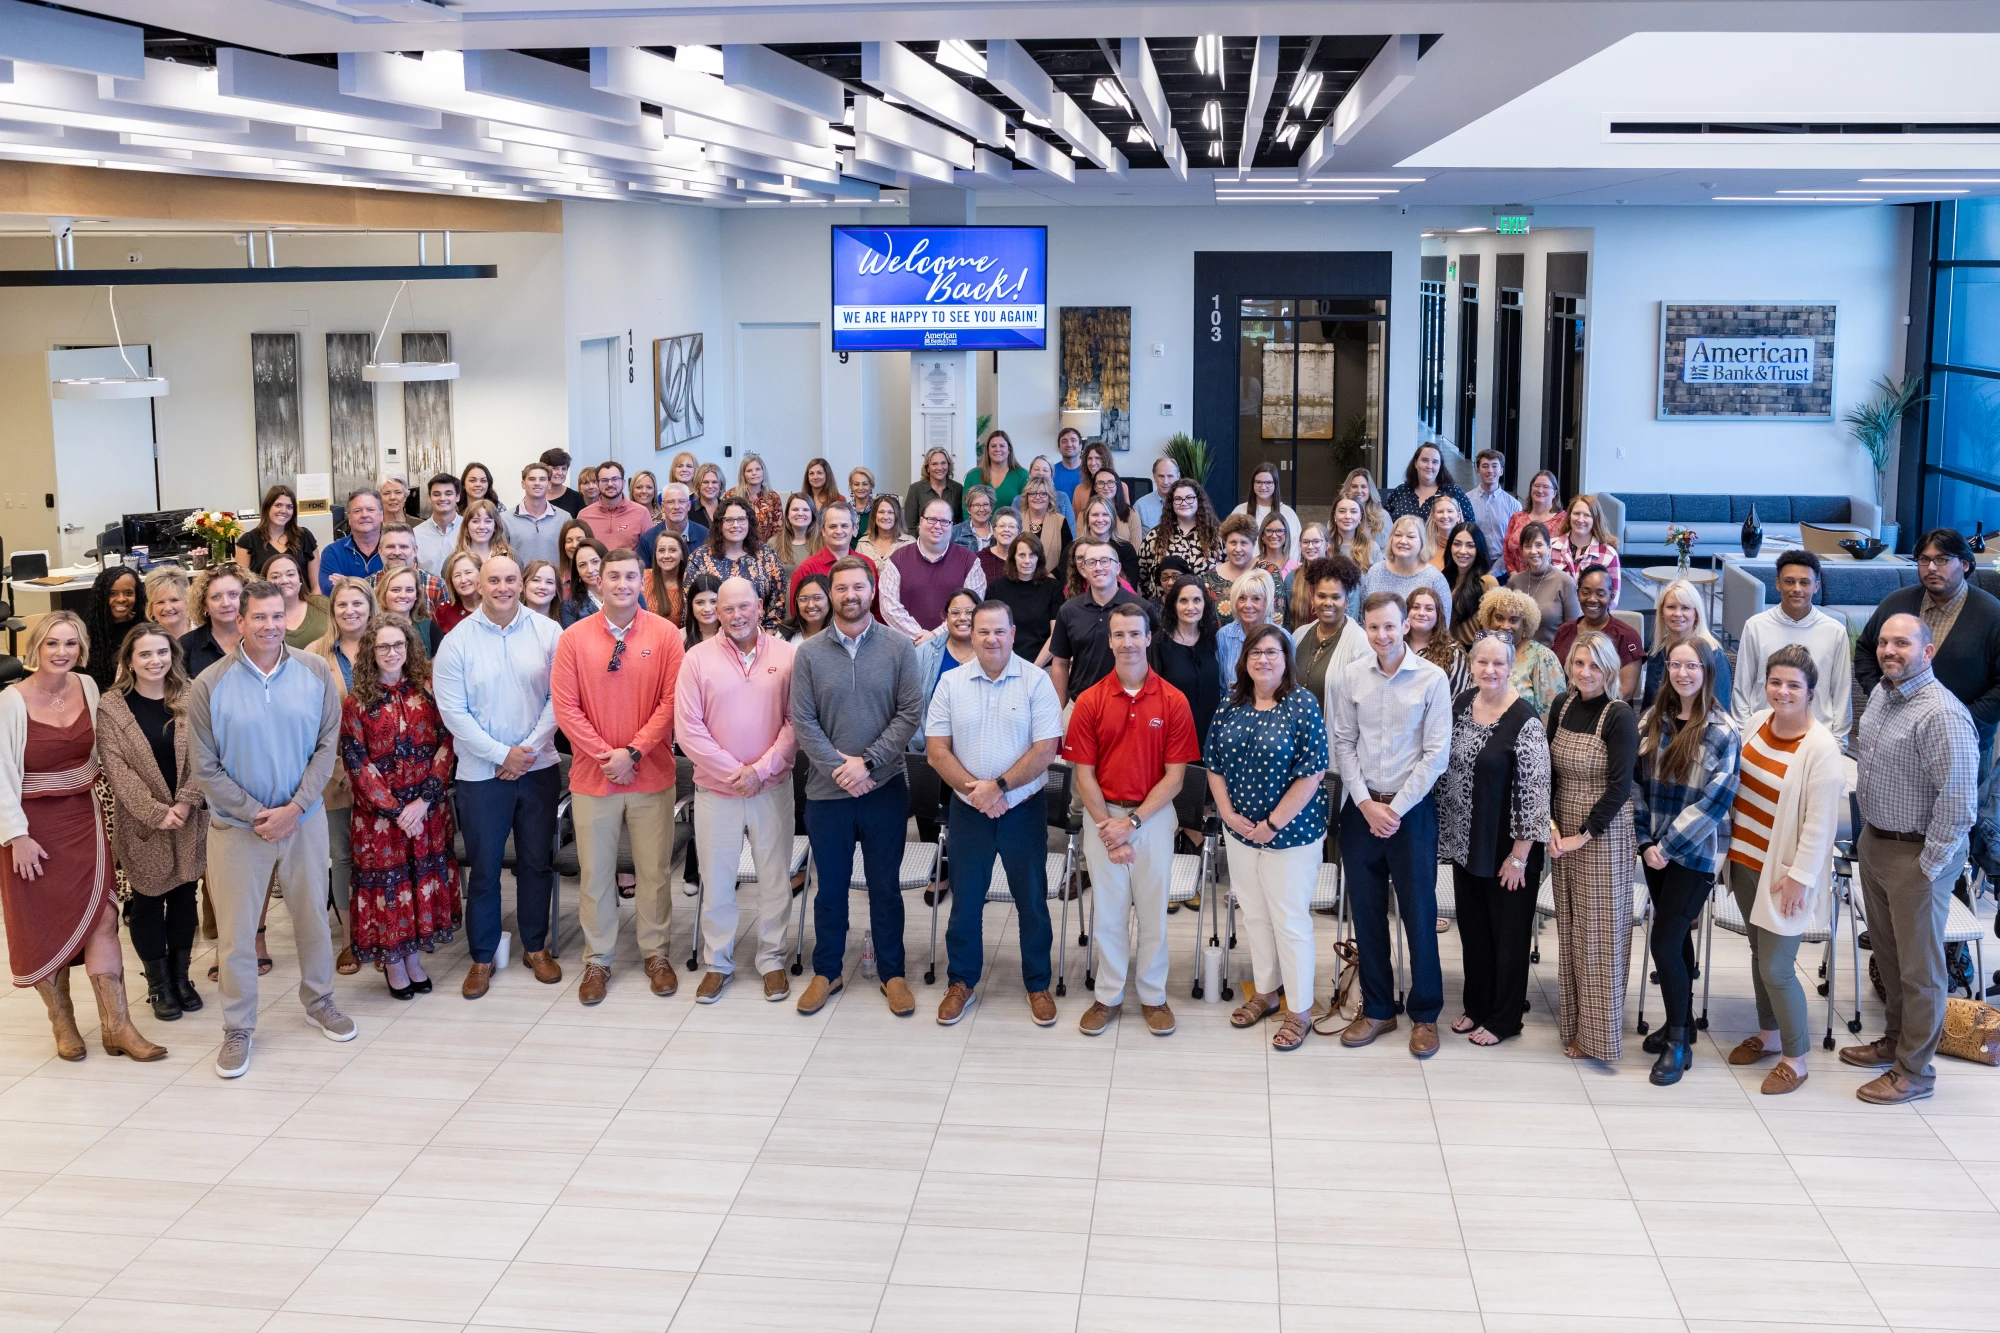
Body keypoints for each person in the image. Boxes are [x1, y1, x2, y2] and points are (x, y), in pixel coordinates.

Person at [187, 578, 354, 1079]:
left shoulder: (313, 672)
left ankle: (321, 1000)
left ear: (289, 619)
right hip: (238, 829)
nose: (269, 626)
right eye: (258, 617)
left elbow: (328, 746)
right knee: (237, 936)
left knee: (311, 921)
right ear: (239, 621)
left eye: (277, 617)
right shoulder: (209, 684)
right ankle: (238, 1028)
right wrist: (260, 812)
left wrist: (295, 807)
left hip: (303, 822)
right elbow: (205, 767)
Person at [1, 613, 167, 1062]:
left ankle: (118, 1026)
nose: (61, 652)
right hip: (31, 831)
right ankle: (64, 1022)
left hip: (83, 819)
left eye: (70, 644)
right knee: (41, 926)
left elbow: (103, 753)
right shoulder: (10, 702)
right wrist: (17, 836)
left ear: (82, 649)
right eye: (52, 643)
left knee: (103, 919)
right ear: (34, 647)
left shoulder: (89, 688)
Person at [1844, 613, 1979, 1105]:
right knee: (1889, 956)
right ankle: (1894, 1043)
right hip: (1876, 842)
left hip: (1919, 854)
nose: (1889, 650)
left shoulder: (1940, 713)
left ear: (1927, 651)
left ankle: (1915, 1071)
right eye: (1883, 641)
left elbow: (1959, 800)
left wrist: (1929, 867)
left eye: (1902, 642)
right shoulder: (1882, 693)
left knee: (1920, 970)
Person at [790, 557, 925, 1016]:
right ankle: (826, 971)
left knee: (884, 888)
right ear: (831, 594)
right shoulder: (808, 654)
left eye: (859, 587)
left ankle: (893, 973)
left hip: (883, 788)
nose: (850, 596)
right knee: (829, 890)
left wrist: (866, 763)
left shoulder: (898, 647)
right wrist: (841, 769)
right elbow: (803, 722)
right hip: (828, 794)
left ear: (872, 592)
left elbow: (909, 714)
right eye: (841, 588)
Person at [551, 547, 684, 1005]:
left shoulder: (666, 635)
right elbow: (565, 708)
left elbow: (671, 704)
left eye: (631, 576)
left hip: (653, 776)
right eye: (613, 576)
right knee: (595, 874)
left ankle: (656, 953)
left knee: (653, 872)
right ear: (597, 582)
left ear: (642, 582)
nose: (622, 584)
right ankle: (598, 959)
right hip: (594, 778)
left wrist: (634, 751)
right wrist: (607, 755)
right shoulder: (573, 638)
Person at [925, 600, 1065, 1026]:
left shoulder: (1036, 681)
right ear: (971, 632)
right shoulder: (950, 682)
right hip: (968, 809)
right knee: (965, 902)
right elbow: (936, 750)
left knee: (1032, 902)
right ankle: (961, 982)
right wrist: (977, 792)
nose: (991, 639)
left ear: (1012, 632)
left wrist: (1000, 787)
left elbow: (1046, 750)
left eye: (999, 631)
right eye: (982, 631)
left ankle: (1037, 982)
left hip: (1023, 807)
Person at [1328, 592, 1453, 1056]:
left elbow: (1436, 754)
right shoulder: (1351, 676)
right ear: (1365, 627)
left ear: (1405, 626)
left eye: (1390, 626)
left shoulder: (1432, 679)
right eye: (1374, 627)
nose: (1382, 635)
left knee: (1418, 915)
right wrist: (1364, 803)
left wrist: (1395, 809)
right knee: (1367, 914)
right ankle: (1378, 1008)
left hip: (1411, 811)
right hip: (1361, 811)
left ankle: (1425, 1014)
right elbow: (1343, 741)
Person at [1065, 602, 1197, 1038]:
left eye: (1135, 634)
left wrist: (1133, 825)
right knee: (1108, 914)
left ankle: (1154, 996)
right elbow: (1083, 775)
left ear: (1148, 638)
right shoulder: (1089, 700)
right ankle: (1108, 996)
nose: (1127, 643)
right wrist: (1109, 828)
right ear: (1110, 641)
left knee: (1154, 914)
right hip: (1103, 817)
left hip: (1153, 819)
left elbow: (1175, 778)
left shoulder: (1173, 700)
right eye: (1118, 635)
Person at [434, 556, 563, 998]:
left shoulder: (548, 632)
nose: (504, 587)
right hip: (480, 774)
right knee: (485, 868)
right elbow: (453, 712)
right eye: (495, 580)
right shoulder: (456, 641)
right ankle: (482, 957)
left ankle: (535, 946)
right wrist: (500, 755)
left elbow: (559, 698)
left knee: (535, 862)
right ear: (479, 586)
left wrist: (523, 753)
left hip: (539, 767)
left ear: (522, 583)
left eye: (512, 579)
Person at [1720, 644, 1846, 1094]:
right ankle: (1769, 1036)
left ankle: (1797, 1057)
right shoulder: (1756, 723)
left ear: (1811, 691)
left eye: (1794, 684)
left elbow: (1821, 822)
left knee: (1777, 967)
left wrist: (1800, 877)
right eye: (1776, 682)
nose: (1783, 691)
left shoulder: (1821, 748)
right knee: (1759, 956)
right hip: (1746, 862)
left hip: (1784, 874)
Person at [1208, 625, 1330, 1050]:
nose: (1263, 660)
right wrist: (1226, 813)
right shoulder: (1231, 701)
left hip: (1291, 834)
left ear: (1286, 660)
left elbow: (1313, 772)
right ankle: (1265, 992)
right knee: (1255, 916)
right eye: (1255, 652)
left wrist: (1273, 823)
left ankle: (1298, 1011)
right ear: (1245, 659)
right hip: (1240, 832)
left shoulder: (1302, 704)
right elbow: (1214, 763)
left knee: (1290, 921)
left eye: (1272, 653)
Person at [1632, 639, 1742, 1086]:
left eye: (1691, 666)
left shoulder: (1722, 730)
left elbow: (1716, 803)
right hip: (1654, 851)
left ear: (1707, 671)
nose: (1682, 673)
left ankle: (1679, 1043)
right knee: (1676, 942)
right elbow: (1637, 785)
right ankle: (1684, 1024)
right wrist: (1644, 842)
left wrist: (1666, 847)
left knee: (1664, 942)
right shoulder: (1653, 721)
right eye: (1675, 665)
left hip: (1692, 856)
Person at [1437, 632, 1551, 1047]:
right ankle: (1476, 1006)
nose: (1490, 670)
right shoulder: (1462, 704)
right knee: (1474, 931)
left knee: (1509, 937)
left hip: (1509, 850)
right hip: (1468, 844)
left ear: (1510, 667)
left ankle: (1504, 1019)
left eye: (1498, 664)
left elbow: (1537, 795)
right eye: (1482, 662)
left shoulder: (1525, 720)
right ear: (1472, 665)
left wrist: (1520, 856)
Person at [340, 613, 459, 999]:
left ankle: (413, 958)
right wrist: (395, 810)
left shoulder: (427, 690)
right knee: (389, 888)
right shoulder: (356, 702)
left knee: (417, 881)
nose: (392, 652)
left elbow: (447, 742)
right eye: (383, 646)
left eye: (398, 645)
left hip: (427, 809)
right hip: (380, 819)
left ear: (410, 648)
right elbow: (356, 760)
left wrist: (424, 800)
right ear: (370, 652)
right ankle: (394, 962)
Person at [96, 623, 208, 1022]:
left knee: (184, 898)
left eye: (162, 652)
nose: (155, 661)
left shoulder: (191, 695)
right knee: (147, 902)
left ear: (172, 655)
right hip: (143, 825)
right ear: (129, 660)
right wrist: (159, 812)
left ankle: (181, 979)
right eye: (145, 654)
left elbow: (205, 753)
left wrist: (186, 803)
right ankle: (158, 985)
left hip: (189, 817)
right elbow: (116, 768)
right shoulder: (112, 706)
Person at [1546, 629, 1639, 1062]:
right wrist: (1549, 824)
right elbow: (1548, 771)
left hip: (1600, 834)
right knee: (1569, 929)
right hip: (1561, 828)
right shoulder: (1560, 706)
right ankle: (1574, 1023)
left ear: (1609, 669)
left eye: (1595, 665)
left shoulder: (1619, 716)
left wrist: (1579, 836)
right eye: (1579, 663)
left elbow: (1620, 788)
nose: (1585, 673)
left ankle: (1599, 1036)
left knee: (1599, 934)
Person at [311, 576, 375, 971]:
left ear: (371, 606)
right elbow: (309, 723)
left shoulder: (388, 643)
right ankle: (351, 939)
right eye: (341, 605)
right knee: (344, 857)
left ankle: (385, 937)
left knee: (384, 859)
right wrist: (341, 770)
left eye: (358, 604)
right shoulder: (315, 655)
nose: (350, 611)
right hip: (335, 774)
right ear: (332, 610)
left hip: (388, 775)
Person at [1732, 551, 1848, 740]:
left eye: (1804, 582)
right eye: (1789, 581)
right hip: (1763, 734)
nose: (1797, 589)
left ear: (1816, 586)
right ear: (1777, 583)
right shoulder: (1756, 626)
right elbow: (1742, 687)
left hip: (1816, 736)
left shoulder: (1835, 631)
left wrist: (1838, 740)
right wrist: (1746, 734)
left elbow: (1842, 691)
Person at [1050, 539, 1147, 705]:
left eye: (1105, 561)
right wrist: (1058, 709)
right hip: (1080, 703)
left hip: (1131, 704)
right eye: (1091, 563)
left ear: (1118, 567)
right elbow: (1060, 663)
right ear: (1084, 570)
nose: (1098, 567)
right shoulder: (1068, 610)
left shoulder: (1142, 608)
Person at [881, 497, 986, 645]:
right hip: (908, 648)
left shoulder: (970, 561)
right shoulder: (897, 559)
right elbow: (888, 607)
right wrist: (920, 637)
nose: (937, 526)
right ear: (921, 521)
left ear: (951, 526)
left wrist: (935, 636)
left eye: (944, 521)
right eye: (931, 519)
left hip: (956, 649)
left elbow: (971, 609)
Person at [684, 495, 786, 631]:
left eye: (741, 519)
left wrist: (766, 637)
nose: (736, 525)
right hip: (714, 638)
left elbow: (777, 602)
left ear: (749, 522)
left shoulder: (767, 555)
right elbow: (691, 603)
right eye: (729, 520)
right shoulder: (700, 558)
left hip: (759, 637)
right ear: (719, 524)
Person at [1639, 578, 1730, 715]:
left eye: (1685, 608)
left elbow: (1719, 712)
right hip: (1657, 730)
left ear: (1696, 613)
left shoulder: (1714, 655)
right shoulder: (1657, 649)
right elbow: (1648, 705)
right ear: (1662, 612)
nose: (1677, 614)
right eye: (1671, 607)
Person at [1553, 564, 1643, 700]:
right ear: (1577, 594)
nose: (1592, 599)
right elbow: (1554, 678)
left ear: (1611, 597)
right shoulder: (1564, 631)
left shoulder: (1626, 636)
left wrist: (1589, 712)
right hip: (1566, 710)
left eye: (1600, 594)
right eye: (1585, 592)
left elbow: (1625, 692)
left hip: (1609, 714)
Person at [1293, 554, 1369, 713]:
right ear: (1312, 598)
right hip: (1295, 733)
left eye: (1336, 597)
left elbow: (1365, 704)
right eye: (1321, 596)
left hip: (1334, 736)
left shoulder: (1360, 643)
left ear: (1347, 601)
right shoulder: (1299, 636)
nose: (1328, 603)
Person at [1474, 588, 1566, 718]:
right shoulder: (1480, 653)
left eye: (1514, 620)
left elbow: (1552, 714)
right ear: (1489, 619)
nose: (1505, 626)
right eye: (1499, 618)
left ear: (1525, 624)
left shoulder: (1542, 657)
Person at [1153, 574, 1223, 747]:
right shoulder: (1159, 643)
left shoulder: (1212, 637)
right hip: (1174, 736)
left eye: (1197, 600)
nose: (1190, 607)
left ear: (1205, 604)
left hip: (1212, 733)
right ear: (1173, 605)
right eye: (1183, 600)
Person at [787, 501, 873, 618]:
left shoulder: (868, 565)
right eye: (833, 526)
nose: (838, 531)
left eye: (844, 526)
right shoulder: (806, 570)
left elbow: (876, 610)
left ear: (854, 529)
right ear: (823, 530)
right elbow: (797, 617)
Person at [989, 533, 1062, 667]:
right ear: (1013, 558)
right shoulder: (996, 588)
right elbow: (991, 632)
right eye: (1022, 555)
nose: (1027, 561)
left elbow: (1056, 635)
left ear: (1039, 558)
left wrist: (1034, 669)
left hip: (1043, 666)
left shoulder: (1053, 588)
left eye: (1032, 555)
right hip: (1004, 664)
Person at [1507, 522, 1581, 648]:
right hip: (1517, 655)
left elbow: (1572, 631)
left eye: (1539, 545)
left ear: (1549, 547)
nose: (1533, 551)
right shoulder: (1514, 582)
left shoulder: (1565, 582)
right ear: (1522, 550)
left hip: (1552, 657)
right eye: (1528, 546)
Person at [236, 484, 321, 592]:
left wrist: (313, 607)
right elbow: (242, 588)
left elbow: (316, 586)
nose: (284, 510)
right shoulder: (248, 541)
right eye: (278, 505)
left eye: (289, 507)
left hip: (301, 603)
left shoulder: (305, 537)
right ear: (267, 507)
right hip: (264, 606)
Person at [1361, 515, 1453, 612]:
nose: (1403, 541)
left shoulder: (1435, 579)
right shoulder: (1375, 572)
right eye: (1398, 535)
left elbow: (1443, 623)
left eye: (1411, 536)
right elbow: (1362, 614)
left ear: (1422, 542)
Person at [1139, 478, 1218, 590]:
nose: (1184, 503)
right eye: (1178, 499)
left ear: (1199, 501)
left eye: (1189, 498)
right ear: (1171, 503)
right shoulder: (1154, 537)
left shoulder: (1215, 536)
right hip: (1162, 605)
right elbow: (1143, 577)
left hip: (1203, 605)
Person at [82, 565, 142, 691]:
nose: (121, 599)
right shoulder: (87, 633)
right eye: (112, 593)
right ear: (102, 597)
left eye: (128, 593)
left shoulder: (143, 629)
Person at [1551, 494, 1622, 601]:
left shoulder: (1609, 554)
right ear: (1569, 516)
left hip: (1591, 616)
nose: (1580, 519)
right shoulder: (1550, 547)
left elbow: (1613, 598)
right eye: (1576, 513)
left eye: (1587, 515)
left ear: (1595, 519)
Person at [1383, 441, 1472, 523]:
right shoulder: (1400, 491)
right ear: (1415, 463)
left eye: (1435, 462)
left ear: (1440, 466)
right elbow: (1384, 523)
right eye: (1425, 460)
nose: (1429, 466)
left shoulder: (1454, 493)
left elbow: (1469, 527)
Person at [182, 563, 245, 679]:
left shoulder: (263, 637)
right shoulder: (186, 646)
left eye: (233, 594)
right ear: (204, 605)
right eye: (216, 597)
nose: (226, 603)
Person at [1216, 568, 1277, 687]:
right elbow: (1219, 686)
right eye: (1242, 598)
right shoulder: (1223, 636)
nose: (1248, 605)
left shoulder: (1282, 637)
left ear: (1266, 602)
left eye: (1256, 599)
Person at [1230, 460, 1301, 563]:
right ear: (1253, 484)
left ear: (1275, 484)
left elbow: (1295, 548)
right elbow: (1229, 543)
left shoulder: (1288, 513)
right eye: (1258, 482)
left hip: (1281, 571)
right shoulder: (1240, 511)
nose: (1263, 487)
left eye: (1268, 482)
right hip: (1245, 571)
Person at [319, 488, 386, 593]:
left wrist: (348, 583)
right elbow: (331, 591)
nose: (364, 515)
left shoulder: (396, 549)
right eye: (357, 511)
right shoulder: (332, 552)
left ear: (381, 515)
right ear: (349, 518)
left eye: (370, 509)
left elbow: (401, 587)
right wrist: (382, 585)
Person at [1405, 584, 1468, 695]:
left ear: (1438, 615)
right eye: (1415, 607)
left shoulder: (1454, 652)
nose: (1421, 613)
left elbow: (1458, 700)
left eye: (1429, 609)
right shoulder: (1396, 646)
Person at [1466, 449, 1521, 571]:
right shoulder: (1466, 500)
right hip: (1470, 564)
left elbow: (1514, 543)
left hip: (1502, 566)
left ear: (1501, 471)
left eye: (1494, 466)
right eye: (1485, 466)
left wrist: (1495, 571)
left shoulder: (1514, 505)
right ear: (1478, 471)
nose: (1490, 470)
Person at [579, 460, 652, 551]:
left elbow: (650, 553)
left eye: (615, 479)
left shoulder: (641, 513)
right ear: (597, 485)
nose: (610, 484)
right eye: (604, 480)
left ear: (623, 483)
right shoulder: (584, 516)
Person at [1441, 522, 1497, 642]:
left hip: (1474, 652)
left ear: (1478, 549)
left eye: (1470, 546)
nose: (1462, 551)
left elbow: (1494, 628)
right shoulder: (1443, 578)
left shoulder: (1487, 582)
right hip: (1445, 650)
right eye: (1457, 544)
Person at [1503, 470, 1567, 576]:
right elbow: (1506, 550)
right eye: (1536, 486)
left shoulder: (1564, 520)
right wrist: (1514, 575)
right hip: (1516, 582)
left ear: (1554, 493)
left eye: (1546, 487)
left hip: (1548, 583)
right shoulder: (1517, 517)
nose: (1540, 490)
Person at [262, 551, 328, 650]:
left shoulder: (323, 604)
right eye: (275, 576)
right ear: (265, 583)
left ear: (300, 579)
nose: (284, 581)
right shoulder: (258, 615)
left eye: (290, 574)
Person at [505, 461, 566, 569]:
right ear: (523, 484)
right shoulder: (505, 519)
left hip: (555, 583)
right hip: (519, 583)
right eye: (532, 479)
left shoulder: (564, 518)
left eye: (542, 479)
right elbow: (501, 556)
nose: (537, 483)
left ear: (549, 484)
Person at [379, 523, 447, 618]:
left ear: (415, 550)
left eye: (404, 547)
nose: (397, 552)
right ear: (380, 550)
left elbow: (447, 628)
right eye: (390, 546)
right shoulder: (368, 585)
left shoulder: (437, 585)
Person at [636, 482, 709, 568]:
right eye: (670, 502)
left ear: (688, 506)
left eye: (681, 501)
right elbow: (643, 575)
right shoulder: (648, 539)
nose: (676, 507)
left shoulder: (705, 535)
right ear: (662, 507)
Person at [1080, 495, 1142, 590]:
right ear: (1087, 519)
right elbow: (1068, 590)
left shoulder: (1126, 549)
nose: (1100, 519)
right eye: (1095, 515)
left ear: (1112, 519)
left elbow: (1130, 589)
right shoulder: (1075, 549)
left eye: (1105, 514)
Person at [378, 566, 442, 657]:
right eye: (396, 590)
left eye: (409, 590)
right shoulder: (371, 629)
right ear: (384, 594)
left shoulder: (430, 628)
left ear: (416, 595)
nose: (403, 595)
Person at [413, 473, 464, 575]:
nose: (442, 498)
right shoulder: (415, 534)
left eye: (448, 494)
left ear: (457, 497)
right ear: (429, 498)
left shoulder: (469, 528)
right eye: (436, 494)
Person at [1018, 477, 1071, 573]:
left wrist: (1053, 576)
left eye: (1043, 493)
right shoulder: (1016, 520)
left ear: (1049, 497)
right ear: (1027, 497)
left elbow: (1068, 556)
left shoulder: (1060, 521)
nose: (1037, 497)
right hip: (1020, 581)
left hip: (1052, 583)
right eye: (1033, 493)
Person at [967, 429, 1027, 511]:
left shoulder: (1022, 475)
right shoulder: (972, 476)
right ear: (987, 450)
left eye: (1002, 446)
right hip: (979, 524)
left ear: (1009, 450)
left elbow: (1026, 508)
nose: (997, 449)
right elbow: (965, 508)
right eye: (993, 446)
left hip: (1011, 523)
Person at [1285, 523, 1329, 631]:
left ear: (1327, 545)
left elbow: (1350, 616)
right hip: (1299, 643)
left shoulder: (1339, 577)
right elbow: (1286, 621)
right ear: (1300, 545)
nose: (1310, 546)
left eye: (1316, 541)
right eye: (1305, 542)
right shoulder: (1291, 579)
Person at [907, 446, 964, 527]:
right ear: (927, 468)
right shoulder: (915, 489)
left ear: (948, 465)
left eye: (943, 463)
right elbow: (911, 525)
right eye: (934, 464)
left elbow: (961, 522)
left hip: (951, 538)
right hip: (924, 538)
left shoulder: (958, 488)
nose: (940, 468)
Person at [453, 497, 514, 569]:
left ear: (495, 526)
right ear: (466, 526)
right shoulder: (453, 560)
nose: (482, 527)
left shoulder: (511, 556)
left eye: (488, 521)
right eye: (475, 521)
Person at [734, 453, 783, 541]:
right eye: (749, 471)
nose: (754, 473)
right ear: (743, 474)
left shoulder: (773, 497)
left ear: (763, 472)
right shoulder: (732, 495)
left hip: (765, 547)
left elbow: (778, 531)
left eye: (758, 469)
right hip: (737, 547)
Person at [772, 492, 819, 579]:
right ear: (788, 515)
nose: (800, 513)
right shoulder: (773, 543)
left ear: (812, 514)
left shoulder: (823, 543)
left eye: (806, 510)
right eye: (795, 509)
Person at [436, 550, 484, 636]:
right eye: (457, 575)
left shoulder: (494, 606)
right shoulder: (443, 611)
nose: (463, 580)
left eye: (468, 573)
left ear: (481, 573)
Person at [1331, 494, 1382, 573]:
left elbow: (1380, 582)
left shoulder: (1372, 548)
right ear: (1334, 515)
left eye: (1353, 512)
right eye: (1342, 511)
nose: (1347, 516)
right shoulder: (1324, 546)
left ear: (1360, 516)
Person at [858, 494, 913, 564]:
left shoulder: (909, 543)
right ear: (874, 516)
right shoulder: (862, 544)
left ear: (897, 516)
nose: (886, 517)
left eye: (890, 512)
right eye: (881, 512)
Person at [646, 531, 687, 624]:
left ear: (682, 555)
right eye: (661, 550)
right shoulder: (643, 578)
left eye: (673, 550)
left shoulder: (689, 583)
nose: (666, 556)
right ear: (655, 554)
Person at [143, 566, 192, 641]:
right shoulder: (146, 640)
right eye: (160, 602)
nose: (167, 608)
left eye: (174, 600)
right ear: (151, 607)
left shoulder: (207, 631)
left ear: (187, 601)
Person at [1134, 455, 1179, 535]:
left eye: (1170, 476)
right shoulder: (1140, 505)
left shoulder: (1187, 504)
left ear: (1178, 476)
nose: (1165, 482)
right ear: (1154, 477)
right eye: (1161, 476)